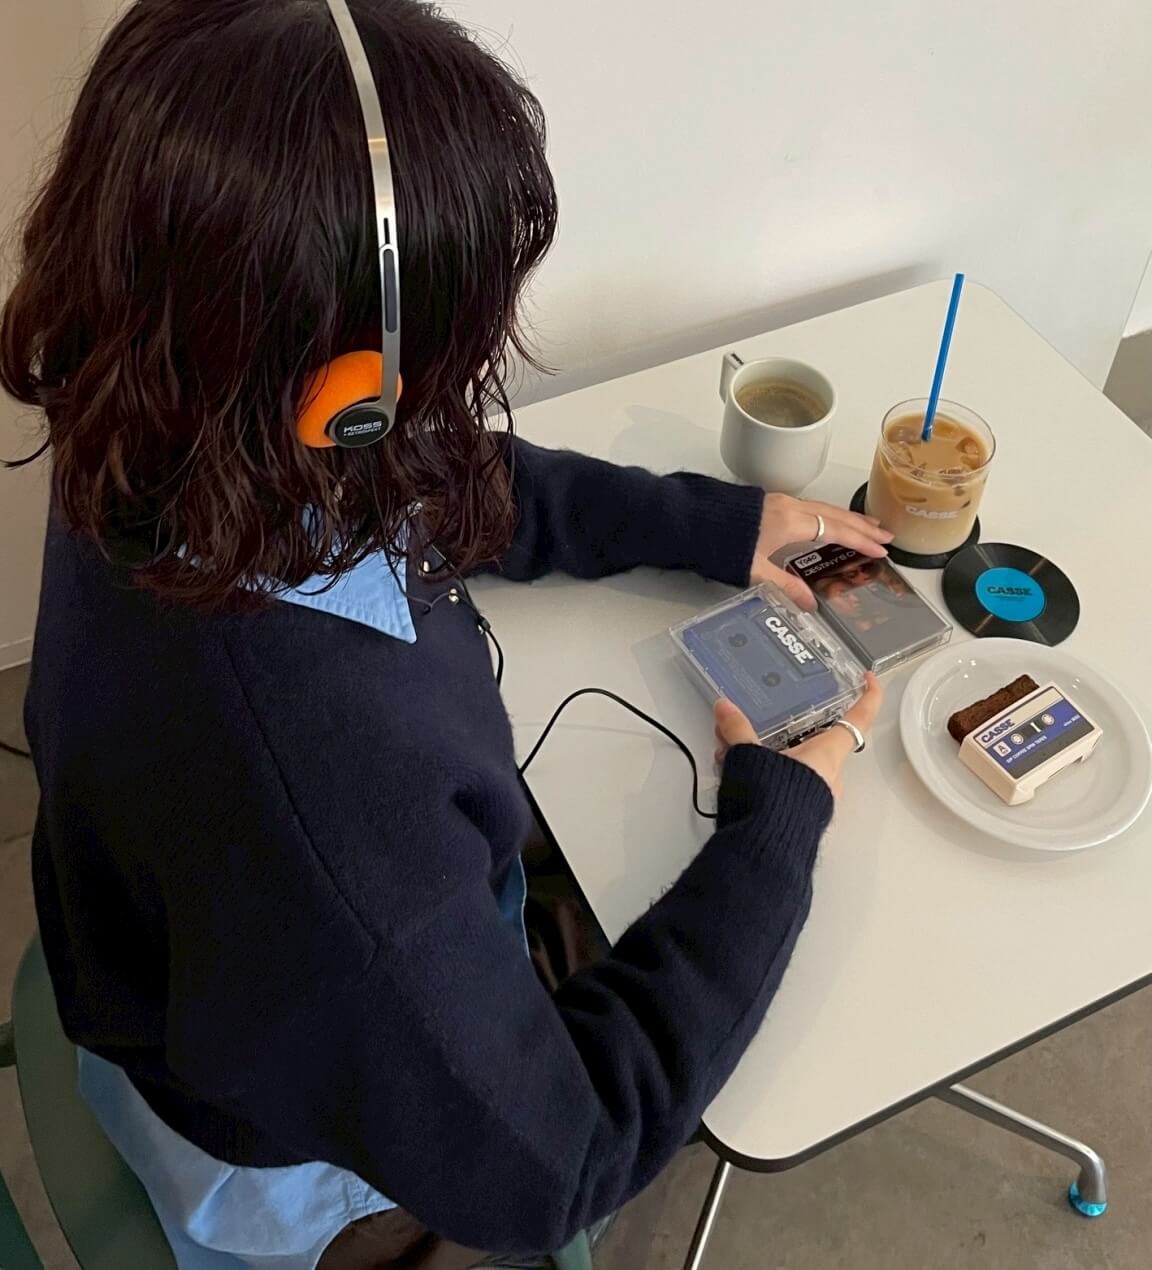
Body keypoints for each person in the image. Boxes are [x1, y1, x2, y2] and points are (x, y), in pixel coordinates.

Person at [0, 2, 888, 1266]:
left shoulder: (154, 417)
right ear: (346, 403)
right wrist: (777, 819)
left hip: (185, 976)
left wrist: (712, 526)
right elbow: (559, 1162)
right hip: (307, 1171)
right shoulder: (336, 812)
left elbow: (422, 475)